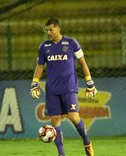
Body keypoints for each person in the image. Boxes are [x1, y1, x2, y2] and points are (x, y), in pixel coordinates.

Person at [30, 18, 97, 156]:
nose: (48, 32)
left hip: (69, 88)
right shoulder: (44, 47)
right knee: (55, 121)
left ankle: (86, 142)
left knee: (73, 117)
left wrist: (90, 83)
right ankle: (61, 154)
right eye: (46, 30)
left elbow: (83, 63)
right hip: (52, 90)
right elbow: (40, 66)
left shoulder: (72, 43)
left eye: (50, 29)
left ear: (58, 28)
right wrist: (34, 83)